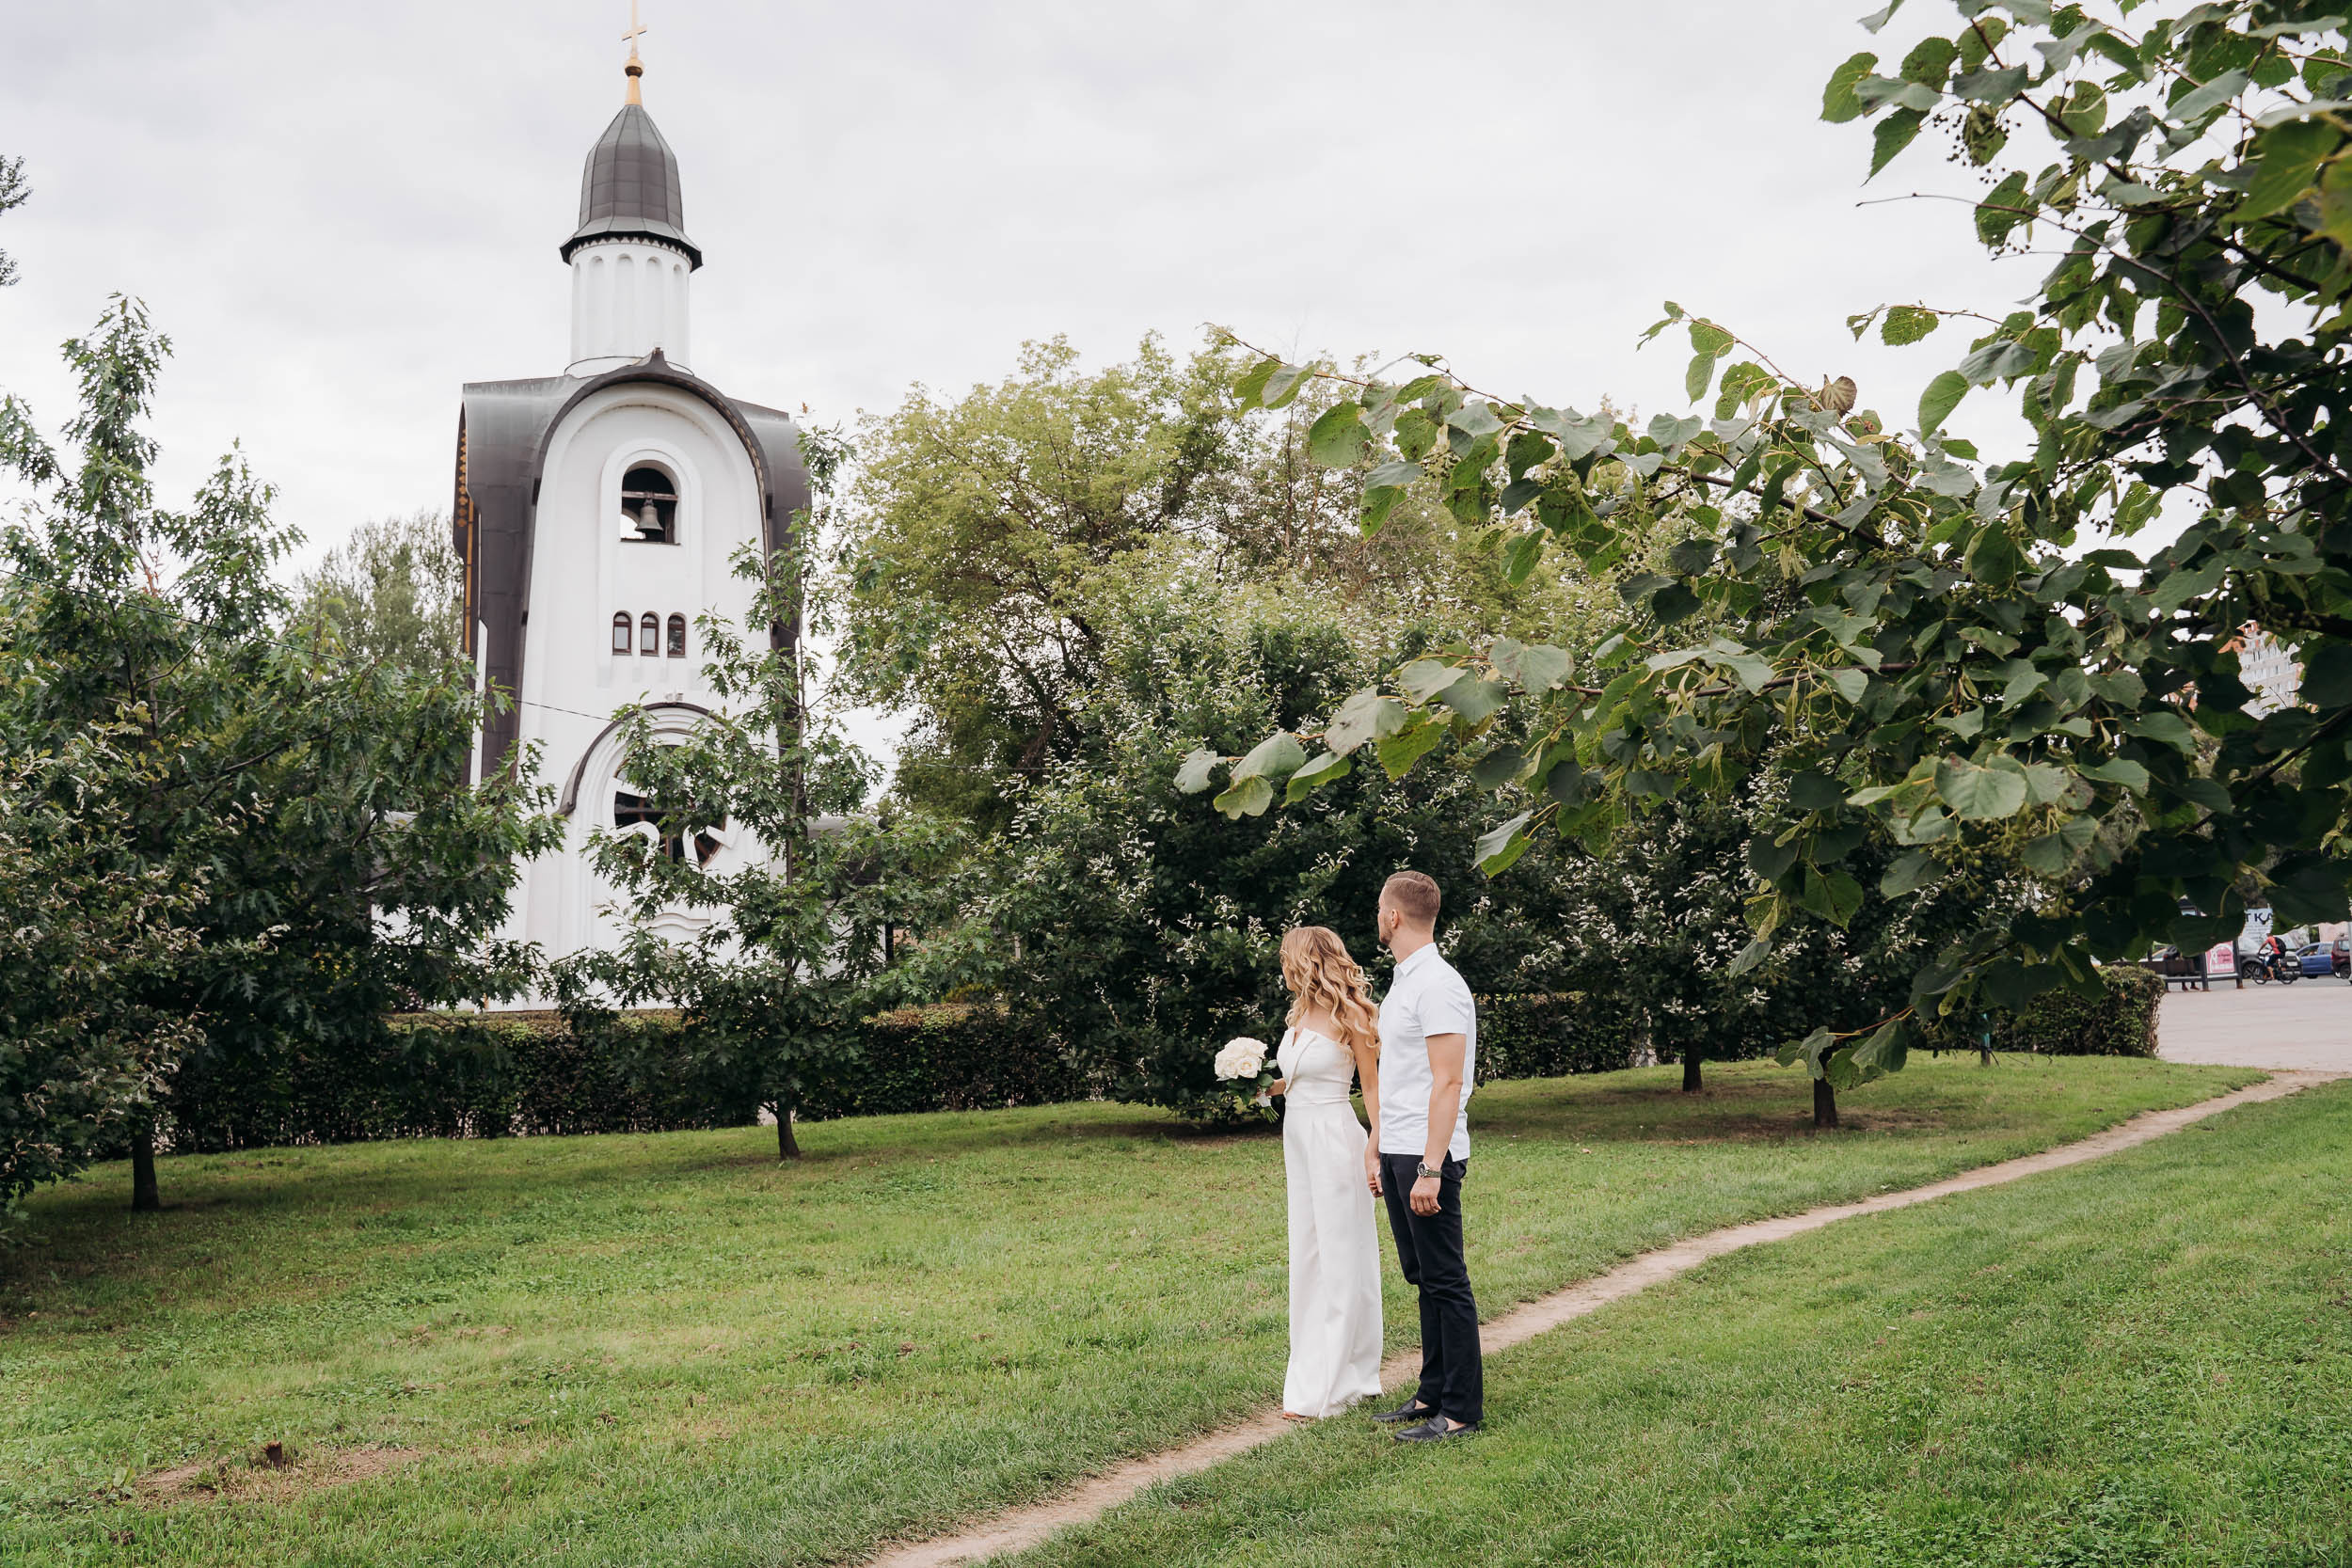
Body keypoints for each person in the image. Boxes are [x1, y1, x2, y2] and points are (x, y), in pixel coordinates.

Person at [1366, 869, 1482, 1441]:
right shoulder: (1405, 982)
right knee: (1425, 1278)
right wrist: (1381, 1150)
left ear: (1393, 916)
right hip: (1400, 1148)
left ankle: (1459, 1410)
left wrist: (1431, 1169)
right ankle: (1430, 1395)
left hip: (1426, 1153)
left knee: (1446, 1280)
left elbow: (1448, 1082)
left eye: (1378, 910)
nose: (1377, 918)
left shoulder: (1438, 984)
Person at [1268, 926, 1386, 1419]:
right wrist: (1257, 1088)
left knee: (1341, 1257)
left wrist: (1376, 1149)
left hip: (1336, 1141)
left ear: (1306, 961)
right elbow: (1294, 1083)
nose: (1282, 967)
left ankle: (1343, 1381)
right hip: (1299, 1143)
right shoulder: (1297, 1014)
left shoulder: (1351, 1015)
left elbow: (1375, 1090)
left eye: (1286, 959)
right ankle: (1311, 1372)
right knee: (1309, 1255)